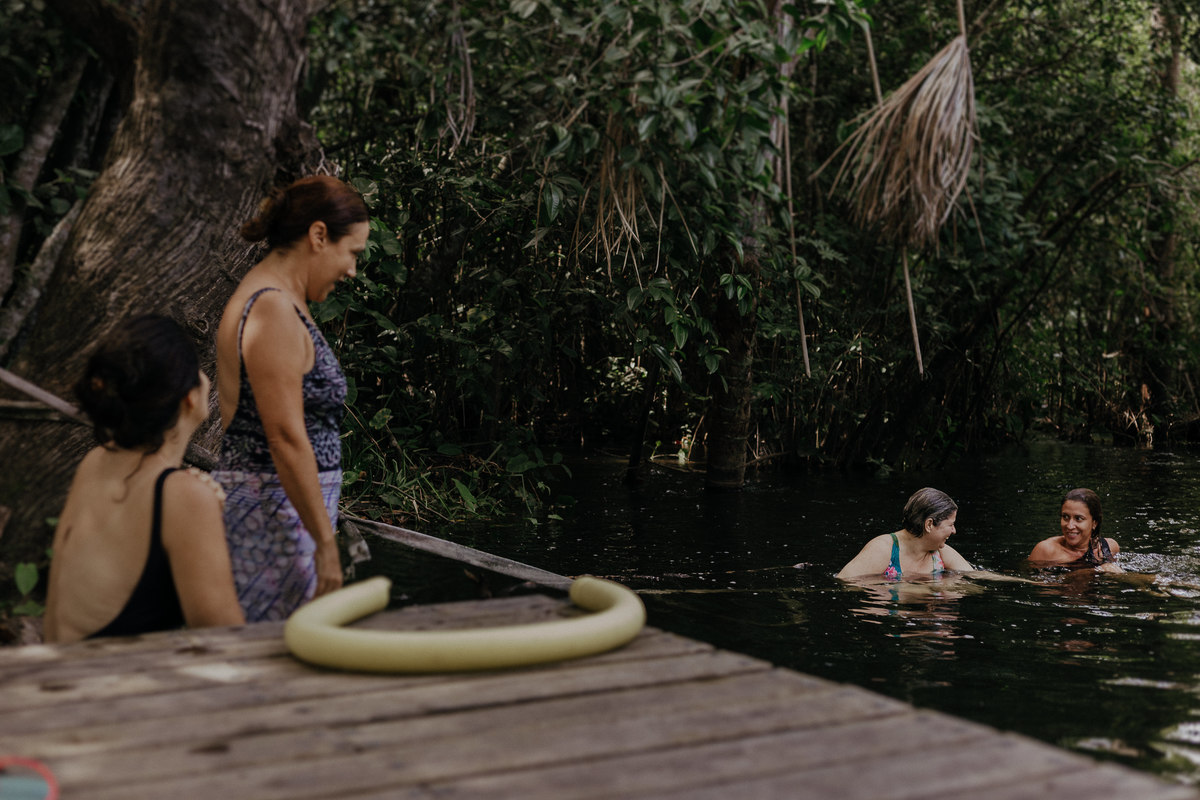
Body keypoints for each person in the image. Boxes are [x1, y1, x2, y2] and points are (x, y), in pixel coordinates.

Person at [212, 174, 369, 621]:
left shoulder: (278, 300)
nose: (352, 269)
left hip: (285, 509)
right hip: (274, 515)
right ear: (319, 235)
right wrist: (325, 542)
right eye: (352, 253)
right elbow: (283, 435)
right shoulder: (272, 308)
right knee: (276, 657)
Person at [44, 315, 244, 642]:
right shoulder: (182, 496)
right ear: (189, 398)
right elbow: (226, 640)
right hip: (111, 687)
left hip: (60, 673)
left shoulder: (98, 460)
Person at [837, 487, 975, 580]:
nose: (954, 531)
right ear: (929, 524)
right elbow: (845, 582)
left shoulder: (940, 552)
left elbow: (978, 578)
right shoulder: (883, 548)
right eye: (950, 525)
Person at [1029, 487, 1121, 569]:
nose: (1070, 526)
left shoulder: (1108, 548)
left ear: (1094, 523)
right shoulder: (1046, 551)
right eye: (1065, 517)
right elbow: (1027, 579)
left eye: (1079, 519)